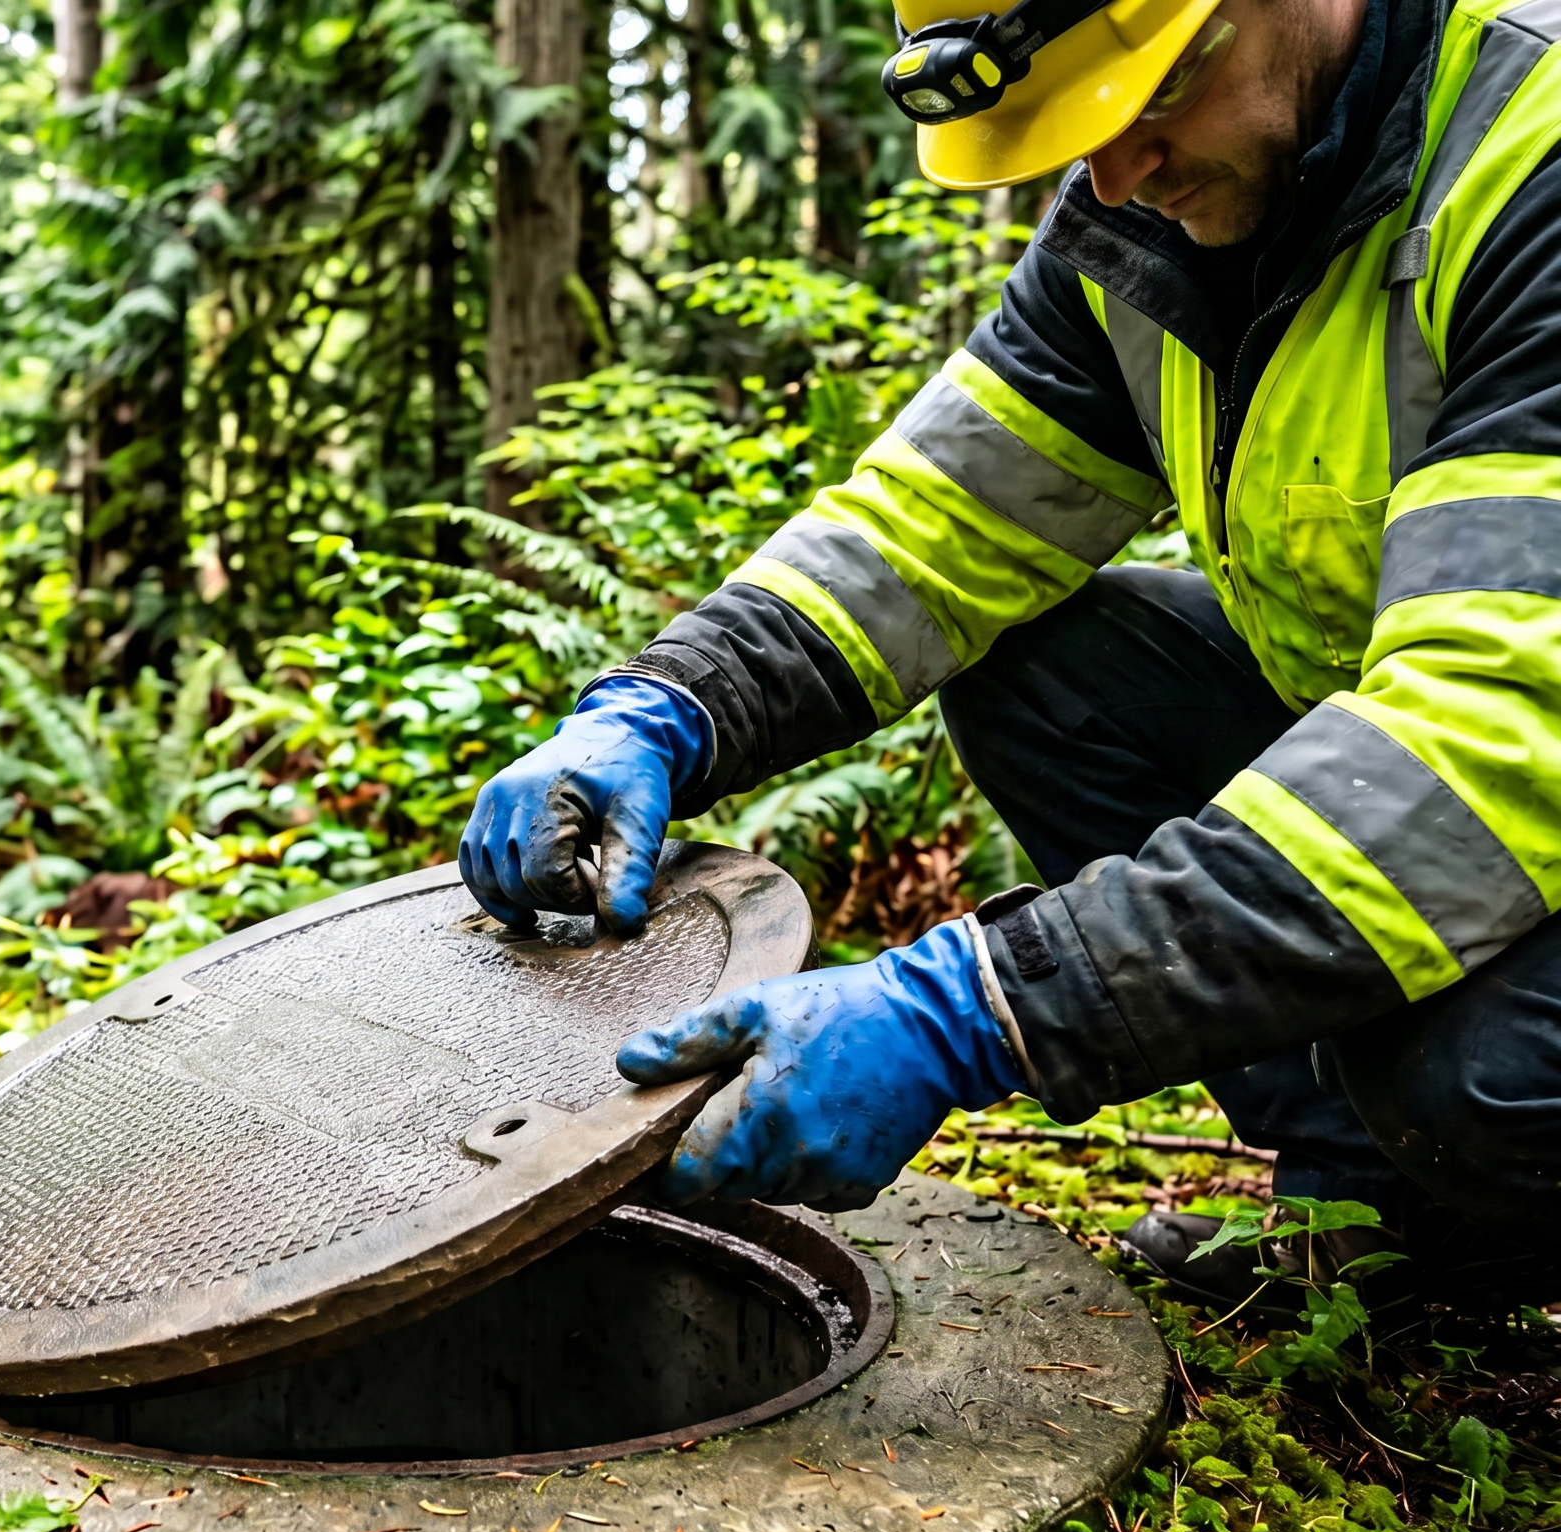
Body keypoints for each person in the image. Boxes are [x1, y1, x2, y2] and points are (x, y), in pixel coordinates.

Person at [459, 0, 1561, 1307]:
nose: (1112, 174)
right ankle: (1387, 1216)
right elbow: (933, 526)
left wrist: (985, 1007)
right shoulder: (1160, 215)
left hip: (1507, 767)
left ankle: (1476, 1196)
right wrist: (658, 709)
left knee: (1491, 1073)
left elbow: (1485, 746)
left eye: (1150, 93)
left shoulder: (1526, 162)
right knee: (1052, 668)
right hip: (1456, 756)